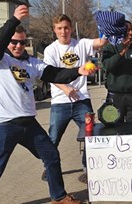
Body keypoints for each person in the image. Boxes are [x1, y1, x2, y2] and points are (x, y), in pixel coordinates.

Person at [0, 5, 95, 204]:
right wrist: (14, 20)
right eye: (13, 42)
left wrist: (78, 70)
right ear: (7, 43)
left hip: (28, 124)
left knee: (51, 155)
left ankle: (59, 197)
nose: (17, 46)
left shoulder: (32, 63)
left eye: (21, 43)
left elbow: (55, 74)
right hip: (3, 125)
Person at [42, 14, 108, 183]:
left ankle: (88, 168)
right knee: (53, 138)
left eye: (66, 28)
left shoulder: (81, 44)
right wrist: (66, 89)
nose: (63, 31)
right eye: (59, 28)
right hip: (60, 103)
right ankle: (48, 168)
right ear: (54, 30)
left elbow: (100, 43)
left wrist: (108, 28)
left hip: (82, 100)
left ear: (71, 29)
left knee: (90, 134)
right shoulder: (51, 50)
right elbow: (50, 75)